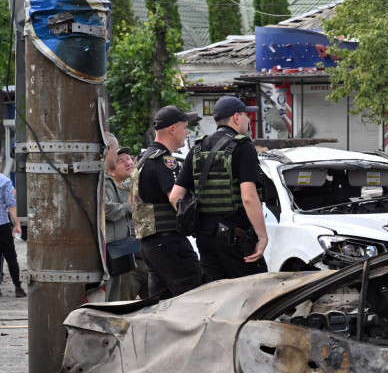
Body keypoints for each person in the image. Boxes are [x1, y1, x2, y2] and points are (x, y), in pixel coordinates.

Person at [169, 95, 268, 284]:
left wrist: (199, 223)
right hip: (235, 238)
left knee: (216, 296)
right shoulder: (244, 146)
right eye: (247, 116)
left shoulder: (198, 148)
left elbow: (175, 197)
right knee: (255, 292)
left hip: (205, 239)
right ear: (236, 117)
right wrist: (262, 237)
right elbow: (248, 197)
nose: (249, 121)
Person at [132, 106, 204, 298]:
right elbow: (177, 201)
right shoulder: (164, 161)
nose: (187, 132)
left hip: (151, 244)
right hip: (168, 243)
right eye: (185, 127)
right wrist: (200, 226)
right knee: (194, 295)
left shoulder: (144, 158)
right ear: (172, 129)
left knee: (161, 303)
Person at [103, 137, 148, 301]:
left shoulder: (135, 186)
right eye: (120, 159)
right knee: (119, 304)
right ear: (112, 171)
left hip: (143, 258)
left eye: (128, 158)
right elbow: (107, 210)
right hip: (123, 255)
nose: (128, 162)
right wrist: (129, 206)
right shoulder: (107, 184)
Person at [0, 165, 21, 298]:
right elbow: (11, 205)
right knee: (11, 257)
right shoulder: (4, 181)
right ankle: (18, 288)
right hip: (2, 226)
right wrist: (17, 224)